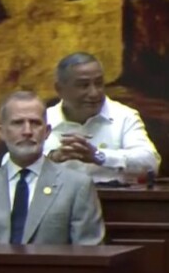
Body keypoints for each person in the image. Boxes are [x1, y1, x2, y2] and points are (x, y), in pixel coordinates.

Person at [0, 91, 104, 245]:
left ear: (46, 132)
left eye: (35, 123)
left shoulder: (77, 187)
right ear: (2, 132)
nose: (27, 131)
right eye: (18, 123)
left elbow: (89, 256)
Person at [44, 52, 160, 182]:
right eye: (83, 85)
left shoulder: (124, 117)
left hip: (113, 200)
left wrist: (99, 156)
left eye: (99, 83)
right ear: (60, 89)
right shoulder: (43, 120)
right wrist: (52, 159)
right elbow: (20, 165)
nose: (94, 93)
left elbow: (150, 163)